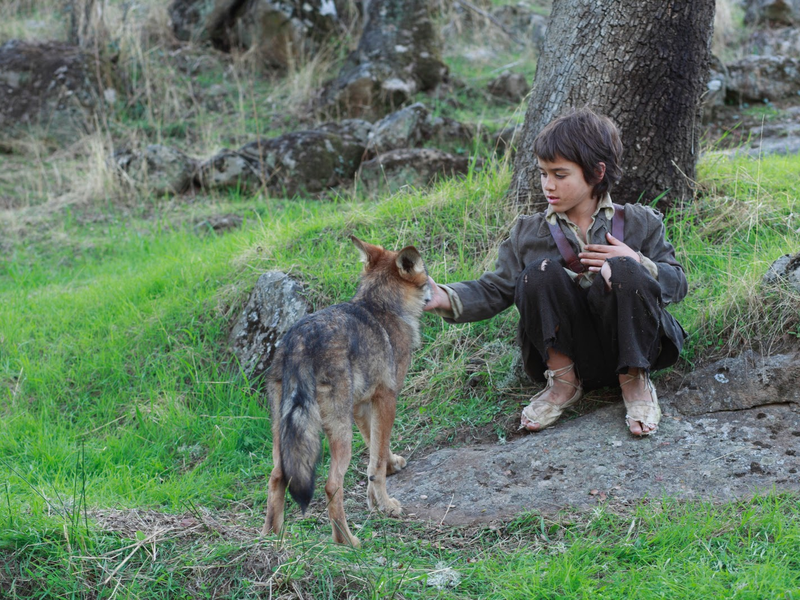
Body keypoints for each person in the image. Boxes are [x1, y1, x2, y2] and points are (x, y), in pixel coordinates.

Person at [424, 107, 688, 436]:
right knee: (539, 272)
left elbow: (677, 283)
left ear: (596, 172)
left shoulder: (640, 222)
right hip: (573, 354)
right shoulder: (528, 233)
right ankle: (563, 384)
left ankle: (634, 383)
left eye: (560, 175)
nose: (548, 185)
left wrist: (635, 261)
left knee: (625, 266)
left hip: (633, 348)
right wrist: (444, 296)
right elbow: (496, 288)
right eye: (542, 173)